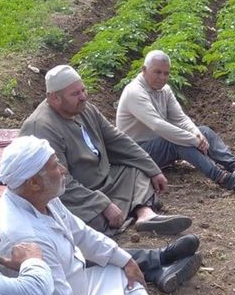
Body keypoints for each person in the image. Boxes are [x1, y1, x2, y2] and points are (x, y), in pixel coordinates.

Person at [0, 136, 226, 295]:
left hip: (75, 291)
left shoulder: (42, 198)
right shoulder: (24, 236)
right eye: (54, 165)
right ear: (33, 182)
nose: (63, 170)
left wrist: (125, 260)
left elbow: (81, 232)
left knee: (118, 270)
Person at [21, 64, 192, 235]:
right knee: (86, 220)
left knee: (137, 170)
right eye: (75, 94)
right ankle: (123, 211)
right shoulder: (42, 127)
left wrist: (153, 169)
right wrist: (102, 204)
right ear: (54, 98)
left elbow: (118, 140)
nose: (83, 97)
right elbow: (59, 182)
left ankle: (145, 215)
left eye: (83, 90)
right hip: (75, 194)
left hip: (104, 179)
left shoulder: (85, 109)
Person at [116, 50, 235, 194]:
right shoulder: (135, 92)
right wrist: (193, 140)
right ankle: (224, 178)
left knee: (204, 131)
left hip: (156, 147)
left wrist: (196, 133)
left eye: (166, 73)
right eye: (157, 72)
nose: (162, 78)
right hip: (136, 153)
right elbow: (157, 125)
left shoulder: (165, 90)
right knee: (177, 142)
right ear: (144, 70)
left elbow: (180, 118)